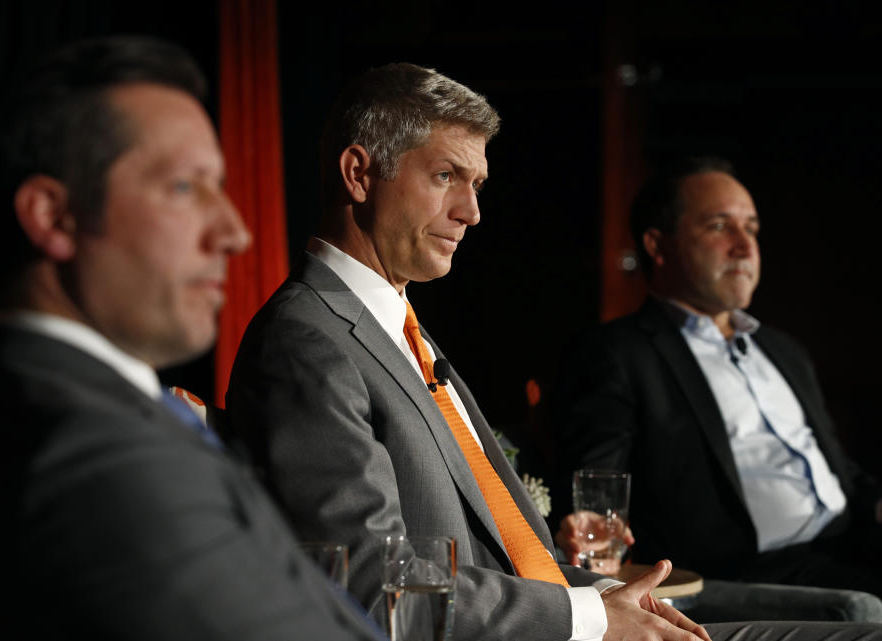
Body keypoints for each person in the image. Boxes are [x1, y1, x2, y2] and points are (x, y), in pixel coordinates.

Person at [225, 67, 882, 641]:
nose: (472, 212)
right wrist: (592, 618)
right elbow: (372, 589)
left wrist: (614, 603)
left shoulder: (401, 330)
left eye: (477, 182)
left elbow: (513, 554)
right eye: (447, 175)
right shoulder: (308, 340)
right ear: (360, 173)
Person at [0, 36, 386, 641]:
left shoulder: (89, 415)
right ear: (52, 215)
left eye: (217, 185)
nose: (234, 231)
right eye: (182, 187)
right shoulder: (100, 461)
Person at [552, 157, 882, 599]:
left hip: (854, 542)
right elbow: (597, 487)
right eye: (719, 227)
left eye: (751, 228)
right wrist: (594, 528)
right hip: (750, 573)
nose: (745, 247)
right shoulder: (616, 353)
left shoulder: (783, 350)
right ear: (657, 244)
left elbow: (836, 471)